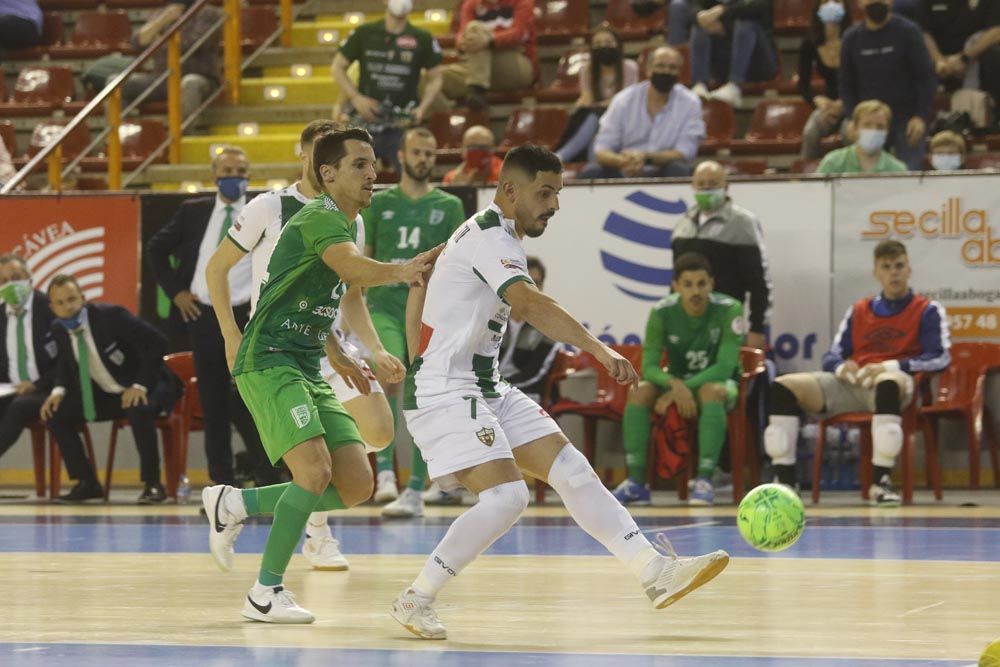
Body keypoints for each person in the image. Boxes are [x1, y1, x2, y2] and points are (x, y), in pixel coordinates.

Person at [388, 144, 729, 640]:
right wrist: (598, 349)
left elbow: (424, 291)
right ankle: (415, 597)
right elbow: (529, 304)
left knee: (569, 468)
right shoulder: (490, 239)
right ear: (509, 190)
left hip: (482, 384)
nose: (553, 204)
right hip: (446, 388)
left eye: (558, 193)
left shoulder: (491, 234)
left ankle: (653, 571)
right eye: (544, 193)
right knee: (507, 498)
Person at [200, 127, 437, 624]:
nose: (374, 173)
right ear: (326, 172)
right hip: (269, 359)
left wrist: (347, 349)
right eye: (360, 165)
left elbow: (313, 293)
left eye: (374, 164)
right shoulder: (311, 215)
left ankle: (236, 503)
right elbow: (350, 269)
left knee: (356, 484)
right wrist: (403, 269)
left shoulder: (347, 222)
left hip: (309, 356)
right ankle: (265, 592)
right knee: (313, 471)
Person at [764, 240, 950, 505]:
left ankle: (880, 483)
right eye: (886, 267)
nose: (894, 272)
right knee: (783, 385)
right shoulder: (859, 310)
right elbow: (832, 354)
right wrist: (842, 367)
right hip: (853, 383)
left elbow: (940, 357)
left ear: (909, 269)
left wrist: (889, 366)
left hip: (895, 385)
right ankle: (785, 482)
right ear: (876, 272)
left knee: (887, 383)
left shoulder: (928, 310)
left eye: (899, 266)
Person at [147, 146, 275, 489]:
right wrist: (176, 291)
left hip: (249, 316)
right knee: (213, 401)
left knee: (257, 400)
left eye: (241, 170)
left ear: (249, 175)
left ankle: (268, 478)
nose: (234, 176)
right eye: (228, 170)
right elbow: (156, 249)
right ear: (214, 175)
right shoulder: (193, 211)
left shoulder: (261, 212)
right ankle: (222, 483)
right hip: (204, 316)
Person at [362, 126, 467, 518]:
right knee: (386, 371)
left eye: (430, 153)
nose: (424, 159)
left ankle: (417, 488)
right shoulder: (380, 202)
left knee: (421, 394)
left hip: (427, 311)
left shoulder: (450, 205)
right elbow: (366, 258)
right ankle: (386, 473)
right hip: (385, 307)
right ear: (402, 156)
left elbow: (454, 265)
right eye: (417, 152)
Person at [40, 275, 183, 504]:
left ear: (83, 298)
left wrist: (139, 385)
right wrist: (57, 392)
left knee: (138, 406)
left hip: (151, 383)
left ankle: (153, 485)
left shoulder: (111, 316)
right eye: (60, 303)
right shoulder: (58, 328)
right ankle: (87, 483)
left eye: (72, 299)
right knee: (55, 413)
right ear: (52, 307)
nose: (68, 307)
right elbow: (65, 366)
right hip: (109, 392)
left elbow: (157, 343)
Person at [615, 253, 743, 507]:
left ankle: (705, 480)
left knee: (711, 390)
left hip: (718, 384)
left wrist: (680, 390)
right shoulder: (661, 312)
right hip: (678, 383)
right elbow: (649, 367)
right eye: (688, 284)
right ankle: (636, 483)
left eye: (701, 284)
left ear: (711, 284)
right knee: (638, 392)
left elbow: (725, 367)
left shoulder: (731, 309)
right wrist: (675, 385)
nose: (695, 291)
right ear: (676, 286)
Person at [332, 0, 444, 175]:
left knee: (411, 175)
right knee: (353, 175)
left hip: (402, 123)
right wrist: (355, 98)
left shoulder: (422, 38)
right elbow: (338, 67)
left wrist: (422, 109)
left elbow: (436, 77)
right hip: (365, 121)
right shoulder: (364, 33)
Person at [671, 160, 770, 352]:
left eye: (713, 184)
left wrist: (757, 327)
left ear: (726, 186)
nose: (706, 189)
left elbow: (758, 282)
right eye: (701, 184)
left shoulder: (743, 223)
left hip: (725, 320)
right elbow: (676, 281)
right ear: (693, 186)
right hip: (687, 323)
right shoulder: (683, 223)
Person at [580, 46, 704, 179]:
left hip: (664, 167)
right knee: (592, 171)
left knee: (678, 168)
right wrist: (622, 161)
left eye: (672, 68)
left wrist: (646, 158)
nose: (666, 71)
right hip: (623, 166)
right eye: (660, 66)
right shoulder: (624, 99)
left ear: (679, 72)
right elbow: (602, 148)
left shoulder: (690, 102)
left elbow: (685, 151)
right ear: (649, 70)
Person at [839, 0, 936, 170]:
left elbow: (926, 78)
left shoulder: (909, 31)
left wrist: (920, 116)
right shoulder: (851, 38)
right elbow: (846, 85)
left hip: (906, 118)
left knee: (910, 176)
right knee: (854, 175)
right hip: (866, 119)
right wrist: (851, 118)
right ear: (860, 3)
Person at [82, 0, 220, 118]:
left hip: (199, 77)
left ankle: (181, 139)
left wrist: (159, 40)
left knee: (189, 83)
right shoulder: (161, 13)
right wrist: (163, 20)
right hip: (161, 78)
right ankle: (119, 138)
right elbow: (138, 42)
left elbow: (195, 44)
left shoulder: (208, 12)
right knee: (115, 82)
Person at [0, 255, 58, 467]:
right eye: (4, 281)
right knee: (15, 402)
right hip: (10, 390)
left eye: (16, 277)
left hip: (48, 389)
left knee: (20, 406)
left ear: (30, 277)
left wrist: (36, 385)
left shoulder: (51, 309)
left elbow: (68, 362)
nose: (10, 285)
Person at [554, 23, 640, 164]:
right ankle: (587, 167)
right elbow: (586, 99)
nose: (603, 46)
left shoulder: (629, 67)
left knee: (594, 116)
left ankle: (561, 156)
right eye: (598, 43)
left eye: (608, 42)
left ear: (617, 45)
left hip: (624, 118)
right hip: (598, 120)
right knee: (592, 120)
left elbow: (626, 100)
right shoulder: (586, 70)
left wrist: (599, 106)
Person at [440, 0, 538, 110]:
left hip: (516, 64)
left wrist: (489, 40)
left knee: (475, 28)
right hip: (481, 69)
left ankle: (477, 90)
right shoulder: (471, 4)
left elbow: (517, 34)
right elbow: (462, 36)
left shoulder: (522, 2)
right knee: (432, 78)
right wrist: (465, 42)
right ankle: (451, 119)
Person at [689, 0, 779, 107]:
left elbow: (758, 6)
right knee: (700, 25)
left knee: (745, 22)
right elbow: (693, 5)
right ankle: (700, 84)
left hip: (760, 63)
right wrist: (700, 15)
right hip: (724, 64)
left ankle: (735, 85)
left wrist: (723, 11)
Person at [497, 256, 561, 403]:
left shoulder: (549, 326)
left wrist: (498, 387)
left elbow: (535, 374)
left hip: (525, 394)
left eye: (536, 283)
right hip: (488, 389)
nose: (531, 288)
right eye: (525, 281)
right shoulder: (494, 316)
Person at [799, 0, 853, 159]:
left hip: (854, 102)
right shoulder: (809, 42)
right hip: (828, 104)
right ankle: (807, 177)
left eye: (836, 1)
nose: (831, 4)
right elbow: (803, 85)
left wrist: (843, 103)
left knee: (849, 133)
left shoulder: (855, 37)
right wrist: (818, 100)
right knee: (810, 132)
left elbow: (866, 78)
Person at [816, 99, 909, 174]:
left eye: (880, 126)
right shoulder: (832, 163)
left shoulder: (898, 170)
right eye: (867, 125)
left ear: (887, 131)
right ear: (855, 128)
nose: (874, 131)